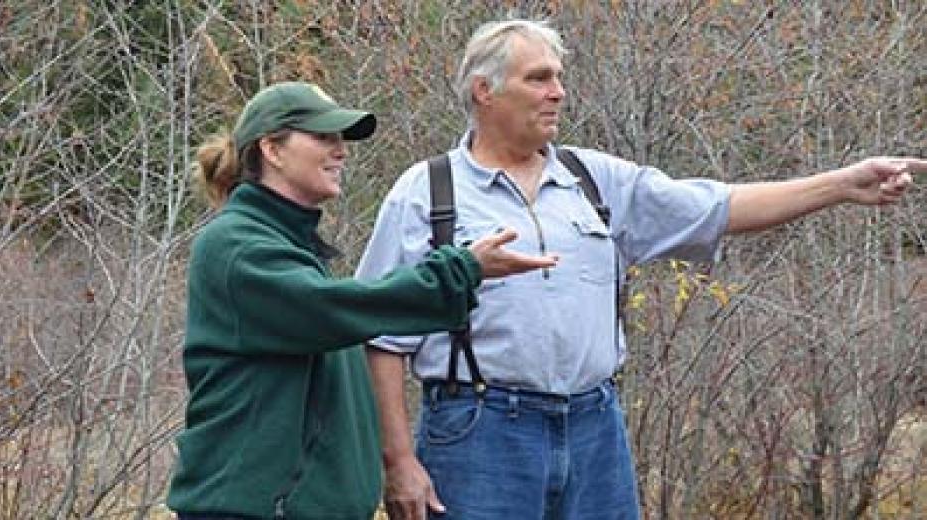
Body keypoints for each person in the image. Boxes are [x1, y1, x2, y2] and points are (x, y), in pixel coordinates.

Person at [355, 19, 927, 520]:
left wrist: (843, 185)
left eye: (558, 76)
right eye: (539, 78)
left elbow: (719, 206)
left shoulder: (594, 179)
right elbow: (380, 337)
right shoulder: (426, 193)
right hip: (477, 435)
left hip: (595, 427)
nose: (558, 92)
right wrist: (400, 461)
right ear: (485, 90)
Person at [165, 81, 557, 520]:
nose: (340, 151)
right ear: (272, 150)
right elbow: (336, 308)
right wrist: (460, 270)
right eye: (323, 137)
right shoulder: (236, 244)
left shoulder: (292, 246)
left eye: (340, 140)